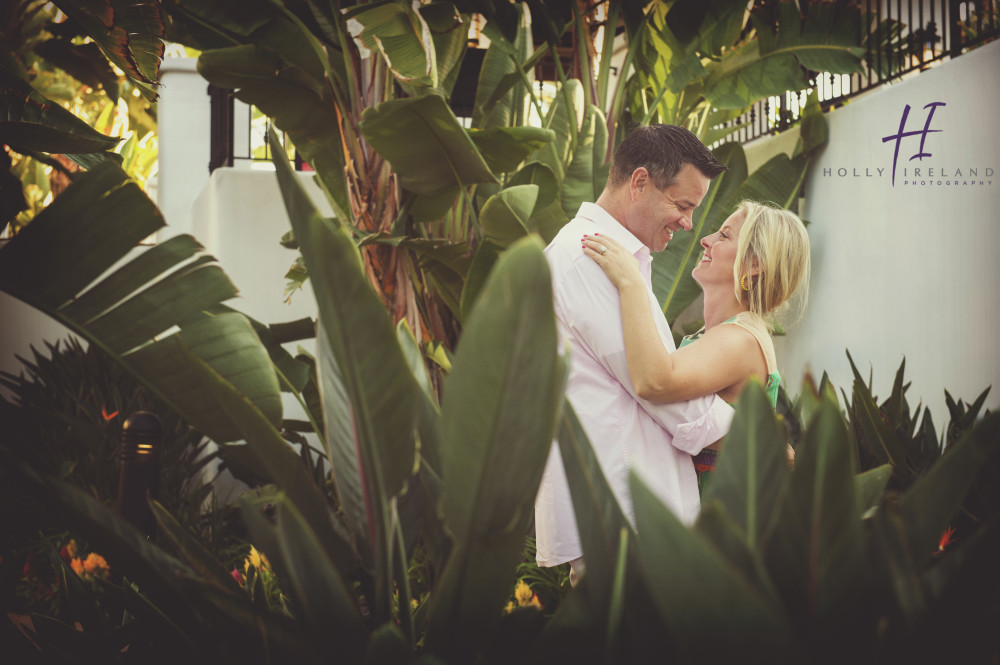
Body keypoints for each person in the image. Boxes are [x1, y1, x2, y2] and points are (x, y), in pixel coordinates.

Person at [533, 124, 734, 584]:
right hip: (626, 523)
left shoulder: (612, 258)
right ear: (639, 182)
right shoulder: (589, 258)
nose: (688, 223)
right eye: (682, 206)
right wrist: (760, 443)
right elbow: (660, 388)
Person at [581, 199, 811, 488]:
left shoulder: (740, 339)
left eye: (724, 236)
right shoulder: (723, 335)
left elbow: (655, 382)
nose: (705, 240)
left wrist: (631, 282)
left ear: (755, 264)